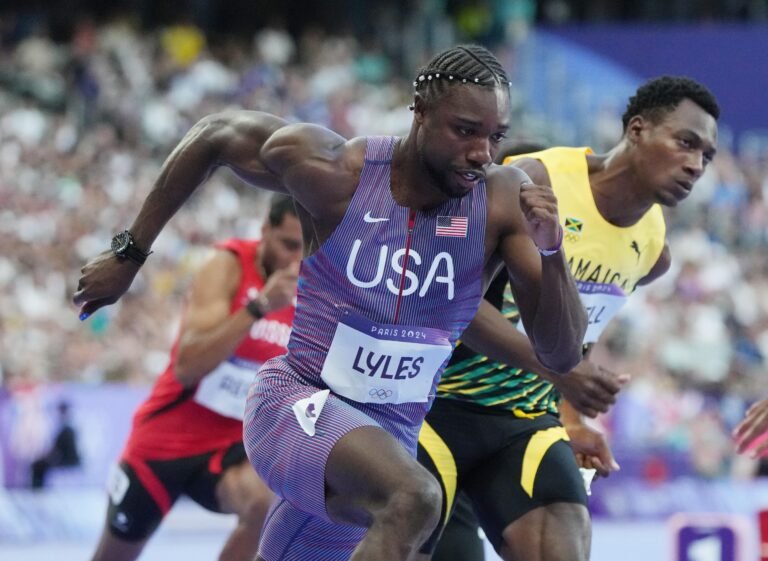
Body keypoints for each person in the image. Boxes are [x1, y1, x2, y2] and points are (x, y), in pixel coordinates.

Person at [74, 44, 588, 561]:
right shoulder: (339, 171)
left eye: (494, 136)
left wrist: (551, 252)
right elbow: (215, 135)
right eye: (465, 130)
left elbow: (562, 354)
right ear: (421, 111)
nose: (482, 152)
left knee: (395, 505)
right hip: (297, 407)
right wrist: (130, 252)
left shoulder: (501, 200)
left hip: (387, 437)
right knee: (415, 499)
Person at [417, 76, 720, 561]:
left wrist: (572, 416)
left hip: (524, 423)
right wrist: (561, 371)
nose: (695, 165)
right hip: (431, 408)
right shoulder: (532, 178)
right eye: (686, 143)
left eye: (707, 155)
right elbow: (446, 300)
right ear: (637, 130)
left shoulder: (652, 251)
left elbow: (577, 336)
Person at [89, 195, 302, 561]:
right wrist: (260, 307)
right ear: (265, 230)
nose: (296, 260)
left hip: (232, 446)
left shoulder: (314, 288)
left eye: (307, 248)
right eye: (288, 245)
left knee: (268, 503)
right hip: (165, 440)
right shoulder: (228, 265)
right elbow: (188, 366)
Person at [30, 400, 81, 489]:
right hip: (66, 458)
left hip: (68, 460)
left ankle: (37, 491)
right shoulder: (66, 428)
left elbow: (58, 451)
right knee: (38, 464)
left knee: (37, 465)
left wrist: (47, 458)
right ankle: (37, 489)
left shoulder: (66, 430)